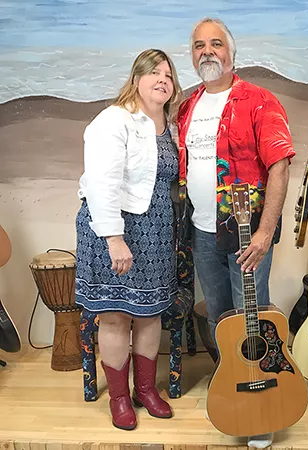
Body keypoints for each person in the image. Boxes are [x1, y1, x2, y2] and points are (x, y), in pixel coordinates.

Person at [176, 17, 295, 448]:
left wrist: (265, 232)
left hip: (248, 233)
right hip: (202, 233)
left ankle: (262, 409)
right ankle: (234, 389)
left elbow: (279, 165)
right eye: (198, 46)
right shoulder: (187, 107)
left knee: (252, 317)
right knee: (219, 320)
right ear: (192, 56)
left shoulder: (259, 101)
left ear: (231, 53)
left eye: (215, 44)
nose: (206, 51)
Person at [74, 49, 183, 431]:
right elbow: (102, 183)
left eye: (168, 74)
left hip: (154, 232)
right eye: (154, 72)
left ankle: (146, 390)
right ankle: (120, 397)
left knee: (150, 313)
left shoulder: (169, 126)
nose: (162, 79)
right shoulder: (114, 120)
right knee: (117, 316)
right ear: (136, 78)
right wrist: (115, 239)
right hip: (114, 231)